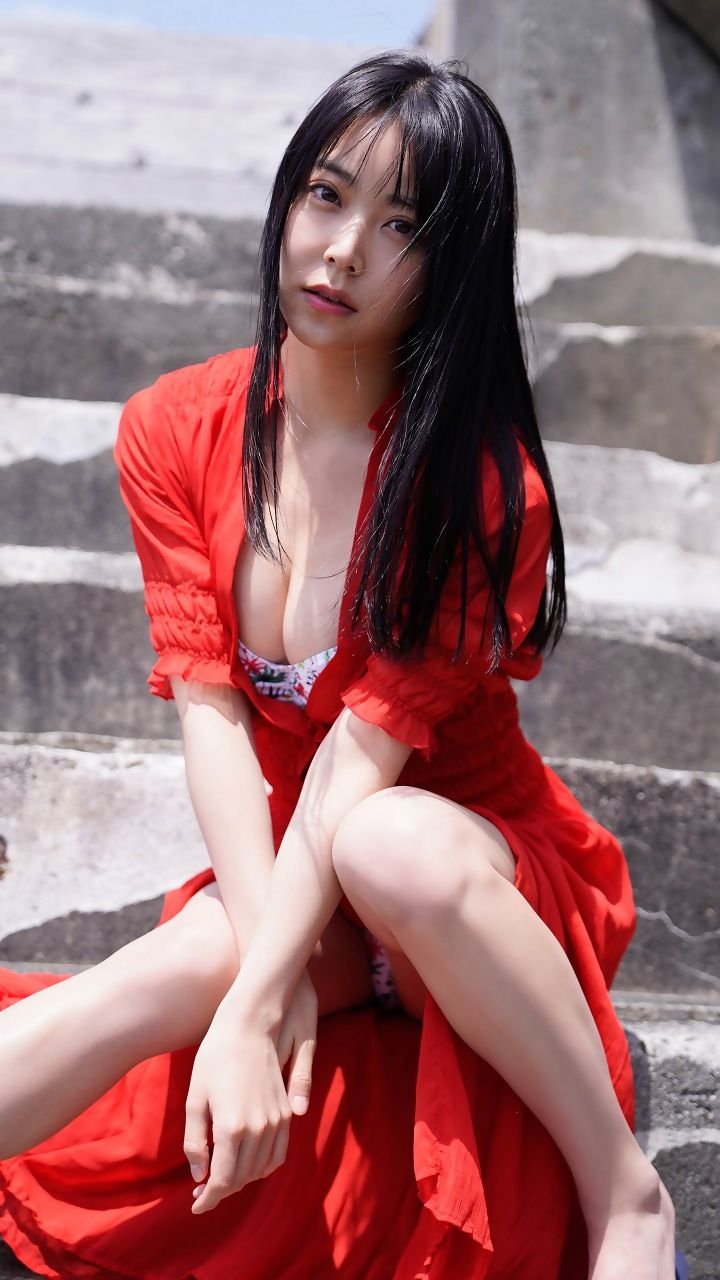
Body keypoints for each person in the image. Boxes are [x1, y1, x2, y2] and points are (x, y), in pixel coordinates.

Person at [0, 48, 679, 1280]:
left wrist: (260, 998)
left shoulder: (479, 486)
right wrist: (264, 975)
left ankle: (625, 1190)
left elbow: (357, 772)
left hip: (463, 874)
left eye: (402, 225)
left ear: (451, 265)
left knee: (385, 841)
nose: (344, 249)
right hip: (292, 866)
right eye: (326, 194)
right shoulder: (175, 427)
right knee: (169, 967)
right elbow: (213, 719)